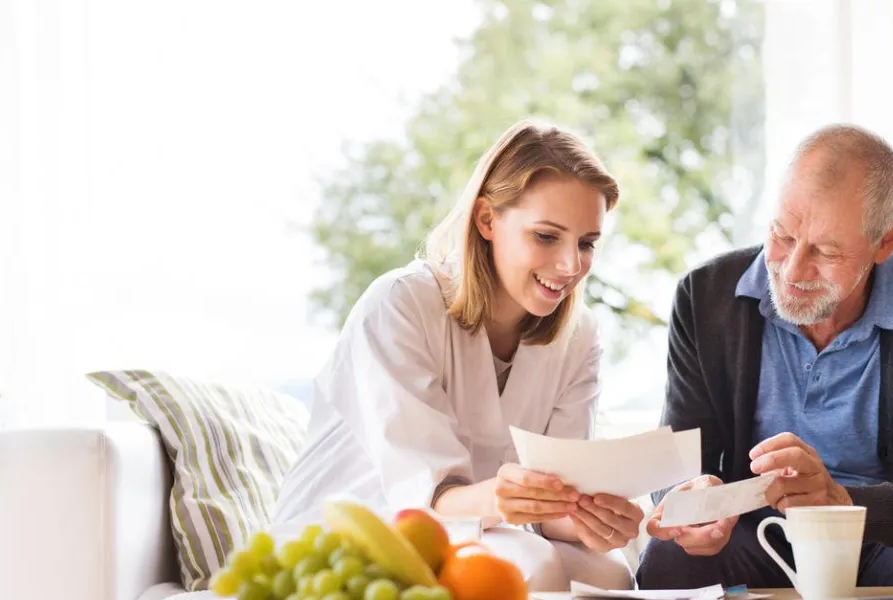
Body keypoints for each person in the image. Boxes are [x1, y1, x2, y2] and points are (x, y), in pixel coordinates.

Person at [636, 124, 893, 598]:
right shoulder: (704, 298)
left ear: (885, 242)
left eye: (826, 252)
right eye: (782, 236)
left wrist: (842, 502)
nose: (791, 270)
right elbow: (676, 466)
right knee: (666, 563)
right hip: (764, 535)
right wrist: (691, 504)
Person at [269, 119, 643, 591]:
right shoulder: (400, 304)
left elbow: (554, 517)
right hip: (369, 529)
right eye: (546, 237)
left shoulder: (580, 334)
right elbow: (429, 497)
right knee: (530, 562)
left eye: (587, 243)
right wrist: (510, 500)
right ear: (487, 220)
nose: (571, 266)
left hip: (479, 531)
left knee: (611, 575)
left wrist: (593, 519)